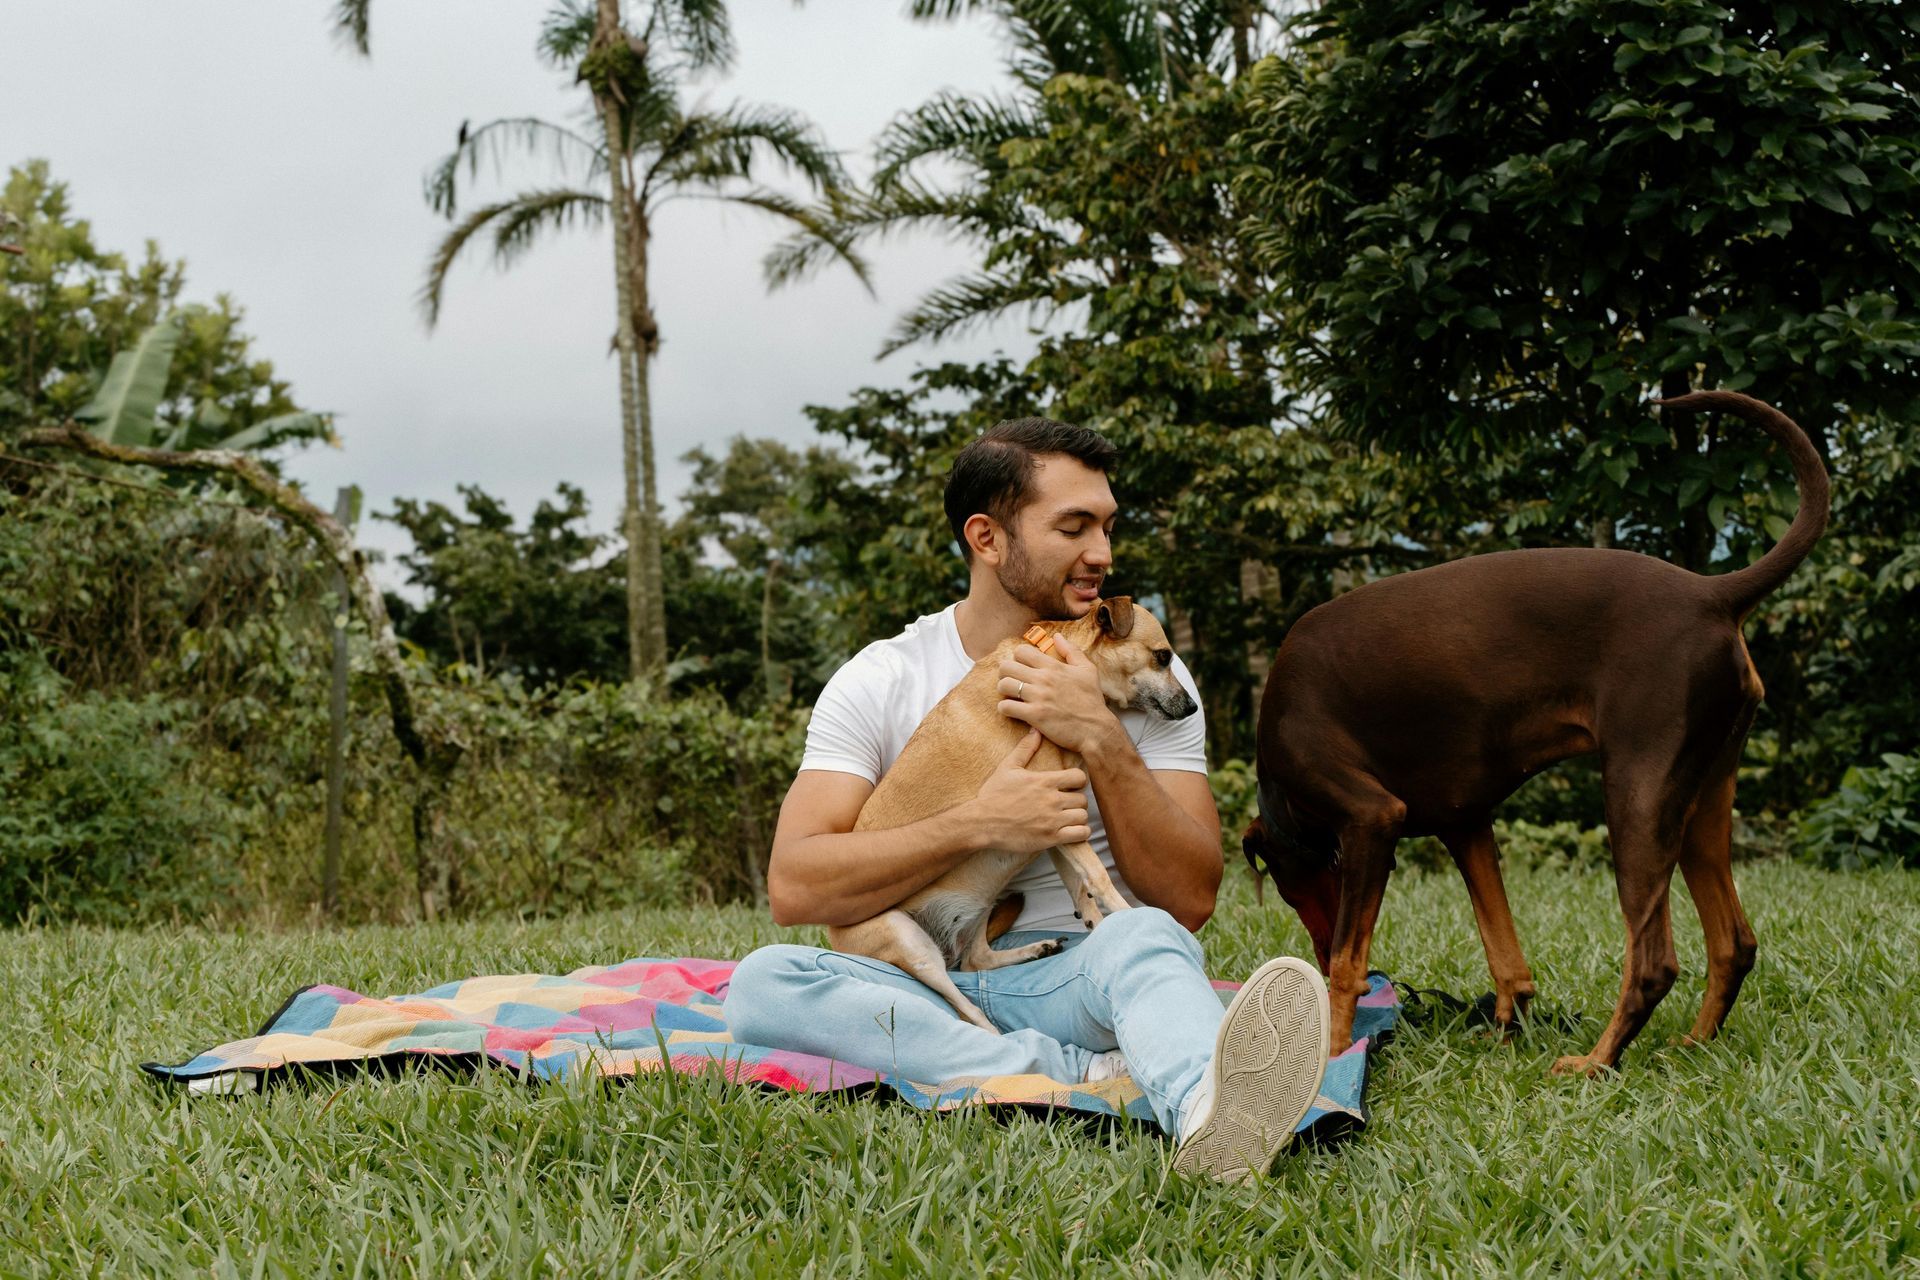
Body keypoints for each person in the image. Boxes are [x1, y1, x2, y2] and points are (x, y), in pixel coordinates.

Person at [724, 417, 1330, 1181]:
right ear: (987, 538)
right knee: (764, 983)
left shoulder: (1146, 682)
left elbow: (1191, 899)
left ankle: (1209, 1118)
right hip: (911, 986)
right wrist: (981, 820)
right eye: (1074, 527)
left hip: (1075, 972)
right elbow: (796, 885)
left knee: (1147, 939)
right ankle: (1067, 1068)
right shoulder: (881, 679)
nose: (1102, 554)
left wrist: (1099, 736)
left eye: (1108, 526)